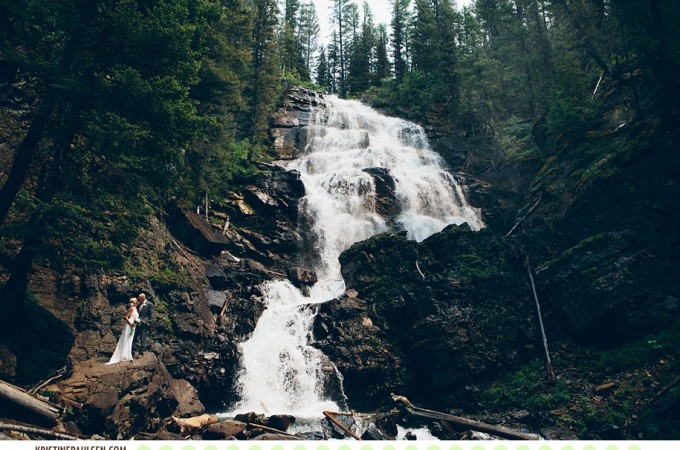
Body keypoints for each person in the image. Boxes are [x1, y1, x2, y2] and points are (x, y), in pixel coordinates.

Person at [106, 298, 139, 364]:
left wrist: (136, 322)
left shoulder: (135, 309)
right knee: (126, 340)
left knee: (130, 340)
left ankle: (128, 355)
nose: (132, 303)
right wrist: (131, 323)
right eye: (131, 302)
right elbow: (126, 317)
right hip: (129, 325)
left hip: (133, 326)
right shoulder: (131, 308)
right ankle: (123, 356)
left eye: (133, 302)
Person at [133, 293, 153, 358]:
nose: (138, 299)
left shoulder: (149, 304)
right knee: (134, 337)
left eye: (139, 298)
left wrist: (148, 323)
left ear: (142, 298)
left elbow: (151, 315)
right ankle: (134, 350)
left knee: (143, 339)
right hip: (138, 323)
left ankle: (141, 353)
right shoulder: (139, 304)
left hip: (144, 324)